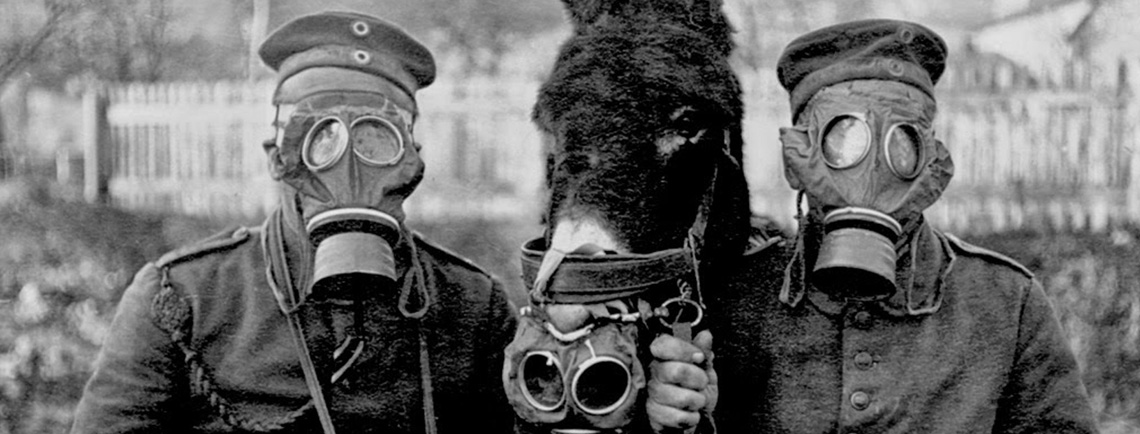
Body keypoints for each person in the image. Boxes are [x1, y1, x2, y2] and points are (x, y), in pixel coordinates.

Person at [71, 11, 517, 434]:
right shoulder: (183, 300)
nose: (348, 166)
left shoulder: (474, 308)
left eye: (374, 140)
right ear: (277, 157)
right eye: (321, 140)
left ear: (410, 161)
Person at [648, 19, 1100, 433]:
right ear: (795, 161)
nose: (871, 173)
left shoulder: (1004, 303)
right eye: (842, 143)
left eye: (901, 143)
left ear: (933, 164)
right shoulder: (731, 299)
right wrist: (681, 421)